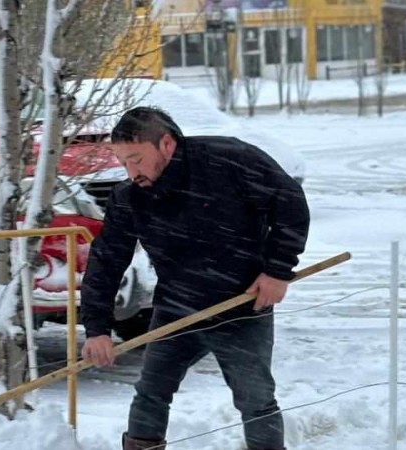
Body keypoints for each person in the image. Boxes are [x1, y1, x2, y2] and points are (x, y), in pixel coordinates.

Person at [80, 106, 310, 450]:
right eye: (123, 162)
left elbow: (291, 205)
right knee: (151, 392)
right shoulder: (131, 197)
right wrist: (97, 329)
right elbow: (106, 260)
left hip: (242, 304)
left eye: (137, 159)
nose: (131, 172)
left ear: (167, 144)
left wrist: (277, 271)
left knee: (255, 399)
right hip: (177, 308)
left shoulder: (228, 160)